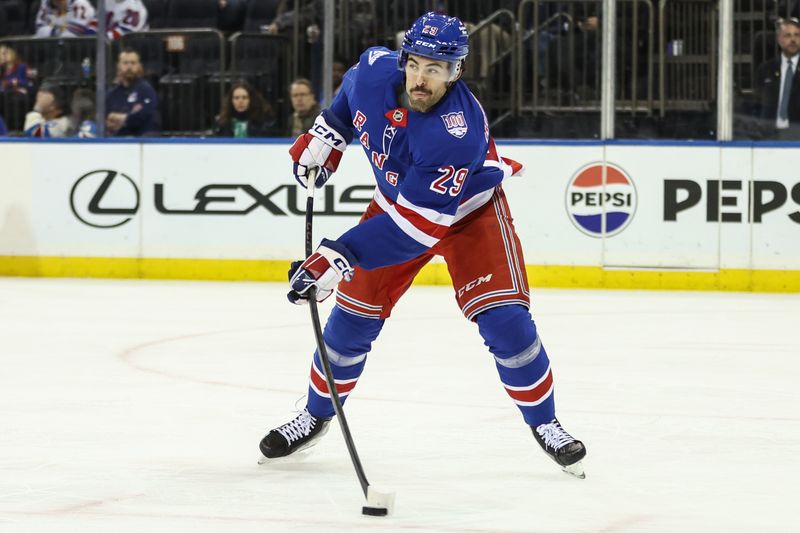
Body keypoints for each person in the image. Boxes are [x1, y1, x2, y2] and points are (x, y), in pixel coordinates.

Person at [259, 12, 588, 478]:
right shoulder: (374, 69)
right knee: (349, 324)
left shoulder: (457, 131)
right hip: (397, 208)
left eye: (436, 69)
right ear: (402, 58)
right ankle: (315, 414)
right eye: (415, 64)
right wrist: (327, 135)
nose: (421, 78)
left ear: (456, 71)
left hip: (467, 216)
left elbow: (414, 232)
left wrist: (340, 256)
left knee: (507, 324)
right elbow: (348, 98)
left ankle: (545, 422)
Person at [754, 17, 800, 139]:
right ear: (779, 40)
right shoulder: (765, 69)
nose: (793, 40)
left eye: (797, 35)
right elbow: (758, 102)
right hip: (769, 135)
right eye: (788, 36)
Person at [105, 48, 158, 136]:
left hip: (142, 142)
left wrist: (121, 118)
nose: (129, 67)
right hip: (117, 143)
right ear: (118, 66)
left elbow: (144, 116)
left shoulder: (146, 90)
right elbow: (106, 120)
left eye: (133, 63)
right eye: (125, 63)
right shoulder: (111, 94)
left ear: (139, 66)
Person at [214, 81, 279, 138]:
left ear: (251, 100)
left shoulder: (264, 122)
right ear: (231, 101)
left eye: (244, 98)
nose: (240, 101)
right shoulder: (223, 123)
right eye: (236, 98)